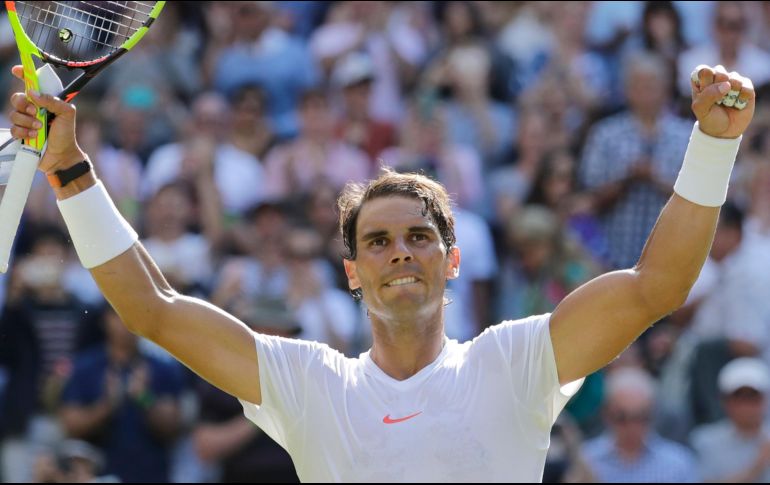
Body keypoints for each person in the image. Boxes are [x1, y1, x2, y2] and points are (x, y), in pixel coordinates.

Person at [5, 61, 755, 481]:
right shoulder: (309, 382)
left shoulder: (516, 360)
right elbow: (154, 308)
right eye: (379, 241)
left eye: (420, 237)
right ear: (352, 272)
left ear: (453, 260)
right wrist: (69, 169)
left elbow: (657, 287)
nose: (400, 251)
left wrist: (714, 146)